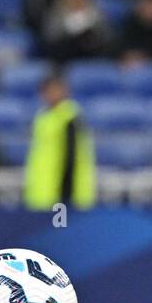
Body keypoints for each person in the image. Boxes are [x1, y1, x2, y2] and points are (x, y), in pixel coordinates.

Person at [24, 72, 96, 210]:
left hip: (62, 194)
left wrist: (66, 196)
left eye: (56, 90)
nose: (52, 94)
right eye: (48, 91)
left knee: (62, 230)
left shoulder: (70, 118)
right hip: (43, 192)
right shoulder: (43, 117)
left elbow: (71, 157)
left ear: (65, 91)